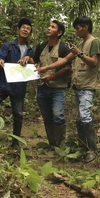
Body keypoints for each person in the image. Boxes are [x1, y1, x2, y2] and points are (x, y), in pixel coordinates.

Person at [37, 16, 100, 163]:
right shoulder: (80, 43)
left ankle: (91, 150)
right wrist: (46, 68)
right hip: (79, 86)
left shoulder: (94, 42)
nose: (76, 31)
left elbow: (94, 62)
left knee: (85, 116)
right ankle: (83, 147)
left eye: (78, 28)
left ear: (85, 27)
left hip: (88, 86)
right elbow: (65, 60)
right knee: (80, 117)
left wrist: (79, 53)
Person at [0, 18, 35, 149]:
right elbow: (0, 56)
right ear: (18, 30)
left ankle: (15, 141)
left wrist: (29, 59)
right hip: (3, 83)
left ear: (30, 33)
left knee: (18, 114)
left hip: (18, 87)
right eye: (23, 27)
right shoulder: (9, 45)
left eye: (28, 29)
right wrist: (0, 61)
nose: (25, 30)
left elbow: (35, 65)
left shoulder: (31, 50)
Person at [32, 20, 71, 148]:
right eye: (49, 26)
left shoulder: (64, 48)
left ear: (59, 33)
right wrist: (28, 60)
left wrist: (53, 75)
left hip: (58, 88)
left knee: (58, 115)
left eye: (53, 27)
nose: (49, 28)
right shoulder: (41, 46)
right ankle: (52, 144)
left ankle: (61, 145)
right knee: (47, 117)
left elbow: (68, 67)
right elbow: (35, 61)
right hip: (42, 87)